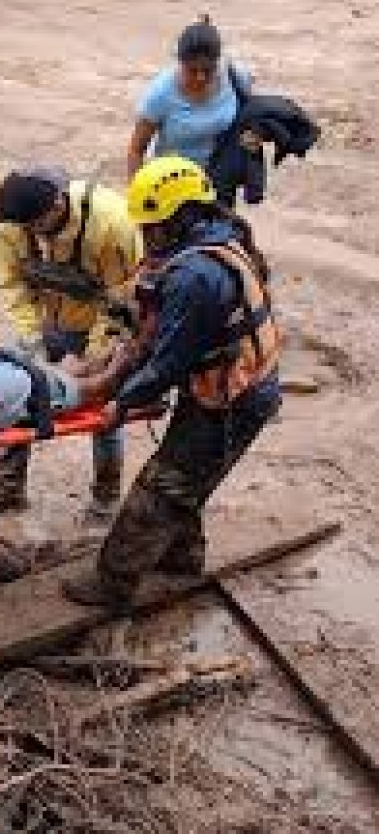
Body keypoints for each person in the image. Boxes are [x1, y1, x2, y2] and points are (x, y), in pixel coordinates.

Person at [62, 156, 281, 609]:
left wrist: (120, 404)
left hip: (231, 399)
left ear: (180, 218)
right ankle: (182, 559)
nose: (146, 238)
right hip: (230, 385)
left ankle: (112, 584)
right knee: (188, 477)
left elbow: (168, 363)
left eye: (152, 228)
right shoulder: (219, 240)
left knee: (160, 489)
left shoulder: (196, 276)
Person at [0, 166, 142, 521]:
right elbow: (13, 286)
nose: (27, 232)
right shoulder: (11, 223)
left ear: (59, 205)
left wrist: (91, 361)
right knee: (17, 398)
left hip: (99, 325)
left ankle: (106, 498)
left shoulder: (112, 225)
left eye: (34, 225)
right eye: (22, 226)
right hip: (45, 322)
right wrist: (33, 343)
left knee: (103, 409)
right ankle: (9, 489)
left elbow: (120, 301)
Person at [127, 16, 252, 180]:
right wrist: (136, 197)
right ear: (180, 63)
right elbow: (136, 151)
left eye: (208, 70)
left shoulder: (236, 78)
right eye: (193, 71)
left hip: (220, 179)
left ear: (217, 62)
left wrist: (251, 139)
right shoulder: (160, 94)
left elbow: (250, 116)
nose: (201, 77)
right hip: (171, 182)